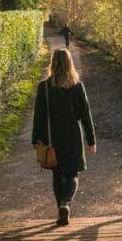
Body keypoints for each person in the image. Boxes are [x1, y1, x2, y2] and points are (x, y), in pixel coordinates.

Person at [32, 48, 96, 226]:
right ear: (70, 63)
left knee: (57, 173)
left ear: (53, 63)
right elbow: (85, 114)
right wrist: (91, 139)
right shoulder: (77, 86)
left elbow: (39, 115)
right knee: (73, 172)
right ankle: (66, 203)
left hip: (53, 138)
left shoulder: (44, 87)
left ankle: (60, 207)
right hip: (73, 137)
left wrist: (35, 139)